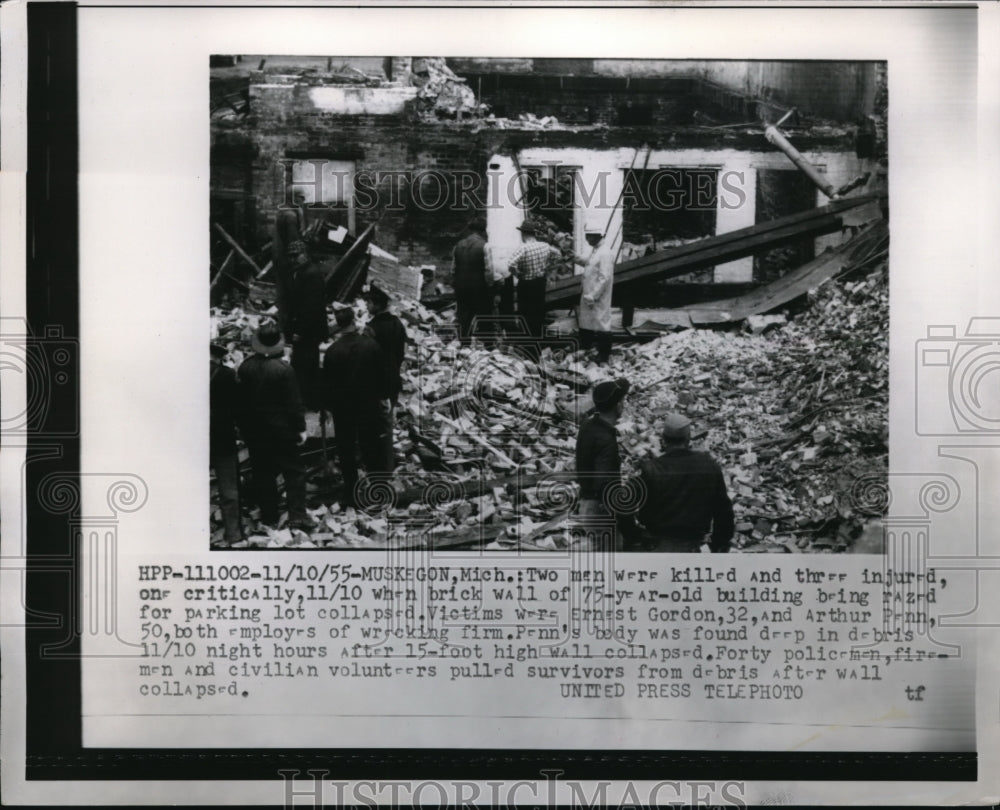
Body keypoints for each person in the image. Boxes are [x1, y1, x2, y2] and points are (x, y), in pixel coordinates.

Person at [236, 323, 313, 532]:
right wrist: (300, 428)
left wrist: (243, 429)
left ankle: (269, 516)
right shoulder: (284, 370)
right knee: (294, 472)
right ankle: (297, 515)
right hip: (282, 432)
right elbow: (294, 404)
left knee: (263, 473)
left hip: (255, 432)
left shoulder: (245, 367)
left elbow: (240, 404)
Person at [634, 412, 734, 553]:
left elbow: (620, 505)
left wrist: (634, 536)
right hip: (695, 545)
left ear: (663, 439)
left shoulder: (650, 469)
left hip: (658, 545)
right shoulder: (709, 465)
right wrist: (718, 543)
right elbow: (724, 511)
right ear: (688, 438)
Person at [322, 307, 391, 507]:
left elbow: (327, 383)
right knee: (372, 447)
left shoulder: (332, 351)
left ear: (339, 325)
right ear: (354, 321)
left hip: (343, 408)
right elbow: (382, 376)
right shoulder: (371, 345)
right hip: (368, 406)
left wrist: (327, 406)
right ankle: (378, 490)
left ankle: (351, 493)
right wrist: (383, 398)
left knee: (346, 450)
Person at [574, 378, 639, 551]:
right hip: (599, 509)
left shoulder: (588, 426)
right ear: (618, 405)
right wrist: (625, 519)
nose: (623, 405)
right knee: (609, 559)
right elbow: (604, 484)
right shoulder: (605, 439)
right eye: (622, 402)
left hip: (586, 503)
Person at [363, 284, 407, 470]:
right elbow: (401, 353)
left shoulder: (370, 329)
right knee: (387, 424)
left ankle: (379, 468)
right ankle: (386, 464)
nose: (366, 306)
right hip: (393, 380)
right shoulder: (398, 323)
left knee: (374, 427)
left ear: (376, 305)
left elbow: (366, 360)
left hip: (375, 385)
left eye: (368, 302)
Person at [286, 240, 328, 410]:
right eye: (291, 257)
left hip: (309, 331)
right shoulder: (304, 272)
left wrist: (300, 330)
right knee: (305, 364)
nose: (293, 260)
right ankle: (308, 399)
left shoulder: (311, 274)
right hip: (309, 329)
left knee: (306, 365)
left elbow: (311, 306)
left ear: (305, 254)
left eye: (296, 256)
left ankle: (310, 401)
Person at [507, 220, 560, 351]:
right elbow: (558, 255)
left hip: (526, 284)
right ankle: (538, 340)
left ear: (523, 234)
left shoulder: (523, 248)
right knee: (538, 311)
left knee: (525, 313)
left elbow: (510, 264)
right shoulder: (544, 246)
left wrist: (518, 274)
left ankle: (528, 344)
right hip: (540, 282)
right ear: (534, 234)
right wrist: (548, 268)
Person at [210, 343, 242, 545]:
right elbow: (238, 408)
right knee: (229, 487)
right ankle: (234, 534)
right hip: (223, 437)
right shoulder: (228, 375)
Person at [272, 187, 308, 338]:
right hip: (287, 261)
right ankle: (287, 331)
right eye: (301, 198)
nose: (303, 201)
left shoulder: (282, 212)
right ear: (293, 198)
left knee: (282, 295)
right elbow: (294, 244)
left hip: (279, 259)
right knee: (290, 296)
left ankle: (282, 326)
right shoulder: (291, 216)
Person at [576, 230, 614, 364]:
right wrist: (575, 258)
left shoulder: (605, 253)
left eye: (588, 237)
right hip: (589, 294)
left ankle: (604, 354)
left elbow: (605, 277)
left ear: (596, 236)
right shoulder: (596, 250)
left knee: (601, 323)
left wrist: (594, 295)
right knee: (587, 321)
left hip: (598, 296)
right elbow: (590, 263)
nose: (586, 240)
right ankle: (587, 348)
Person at [452, 217, 492, 339]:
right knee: (484, 314)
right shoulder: (485, 246)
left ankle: (464, 343)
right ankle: (487, 344)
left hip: (461, 286)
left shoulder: (458, 245)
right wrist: (490, 286)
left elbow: (453, 269)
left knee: (463, 315)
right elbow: (489, 271)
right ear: (483, 231)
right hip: (478, 287)